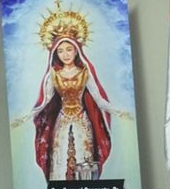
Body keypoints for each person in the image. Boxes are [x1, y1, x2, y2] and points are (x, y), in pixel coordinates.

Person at [12, 35, 132, 181]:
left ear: (76, 51)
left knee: (84, 156)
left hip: (82, 121)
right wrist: (24, 118)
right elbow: (45, 101)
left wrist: (120, 112)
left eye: (69, 49)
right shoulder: (53, 75)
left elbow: (99, 100)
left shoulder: (84, 73)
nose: (65, 54)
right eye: (61, 51)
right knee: (60, 156)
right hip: (61, 122)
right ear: (56, 53)